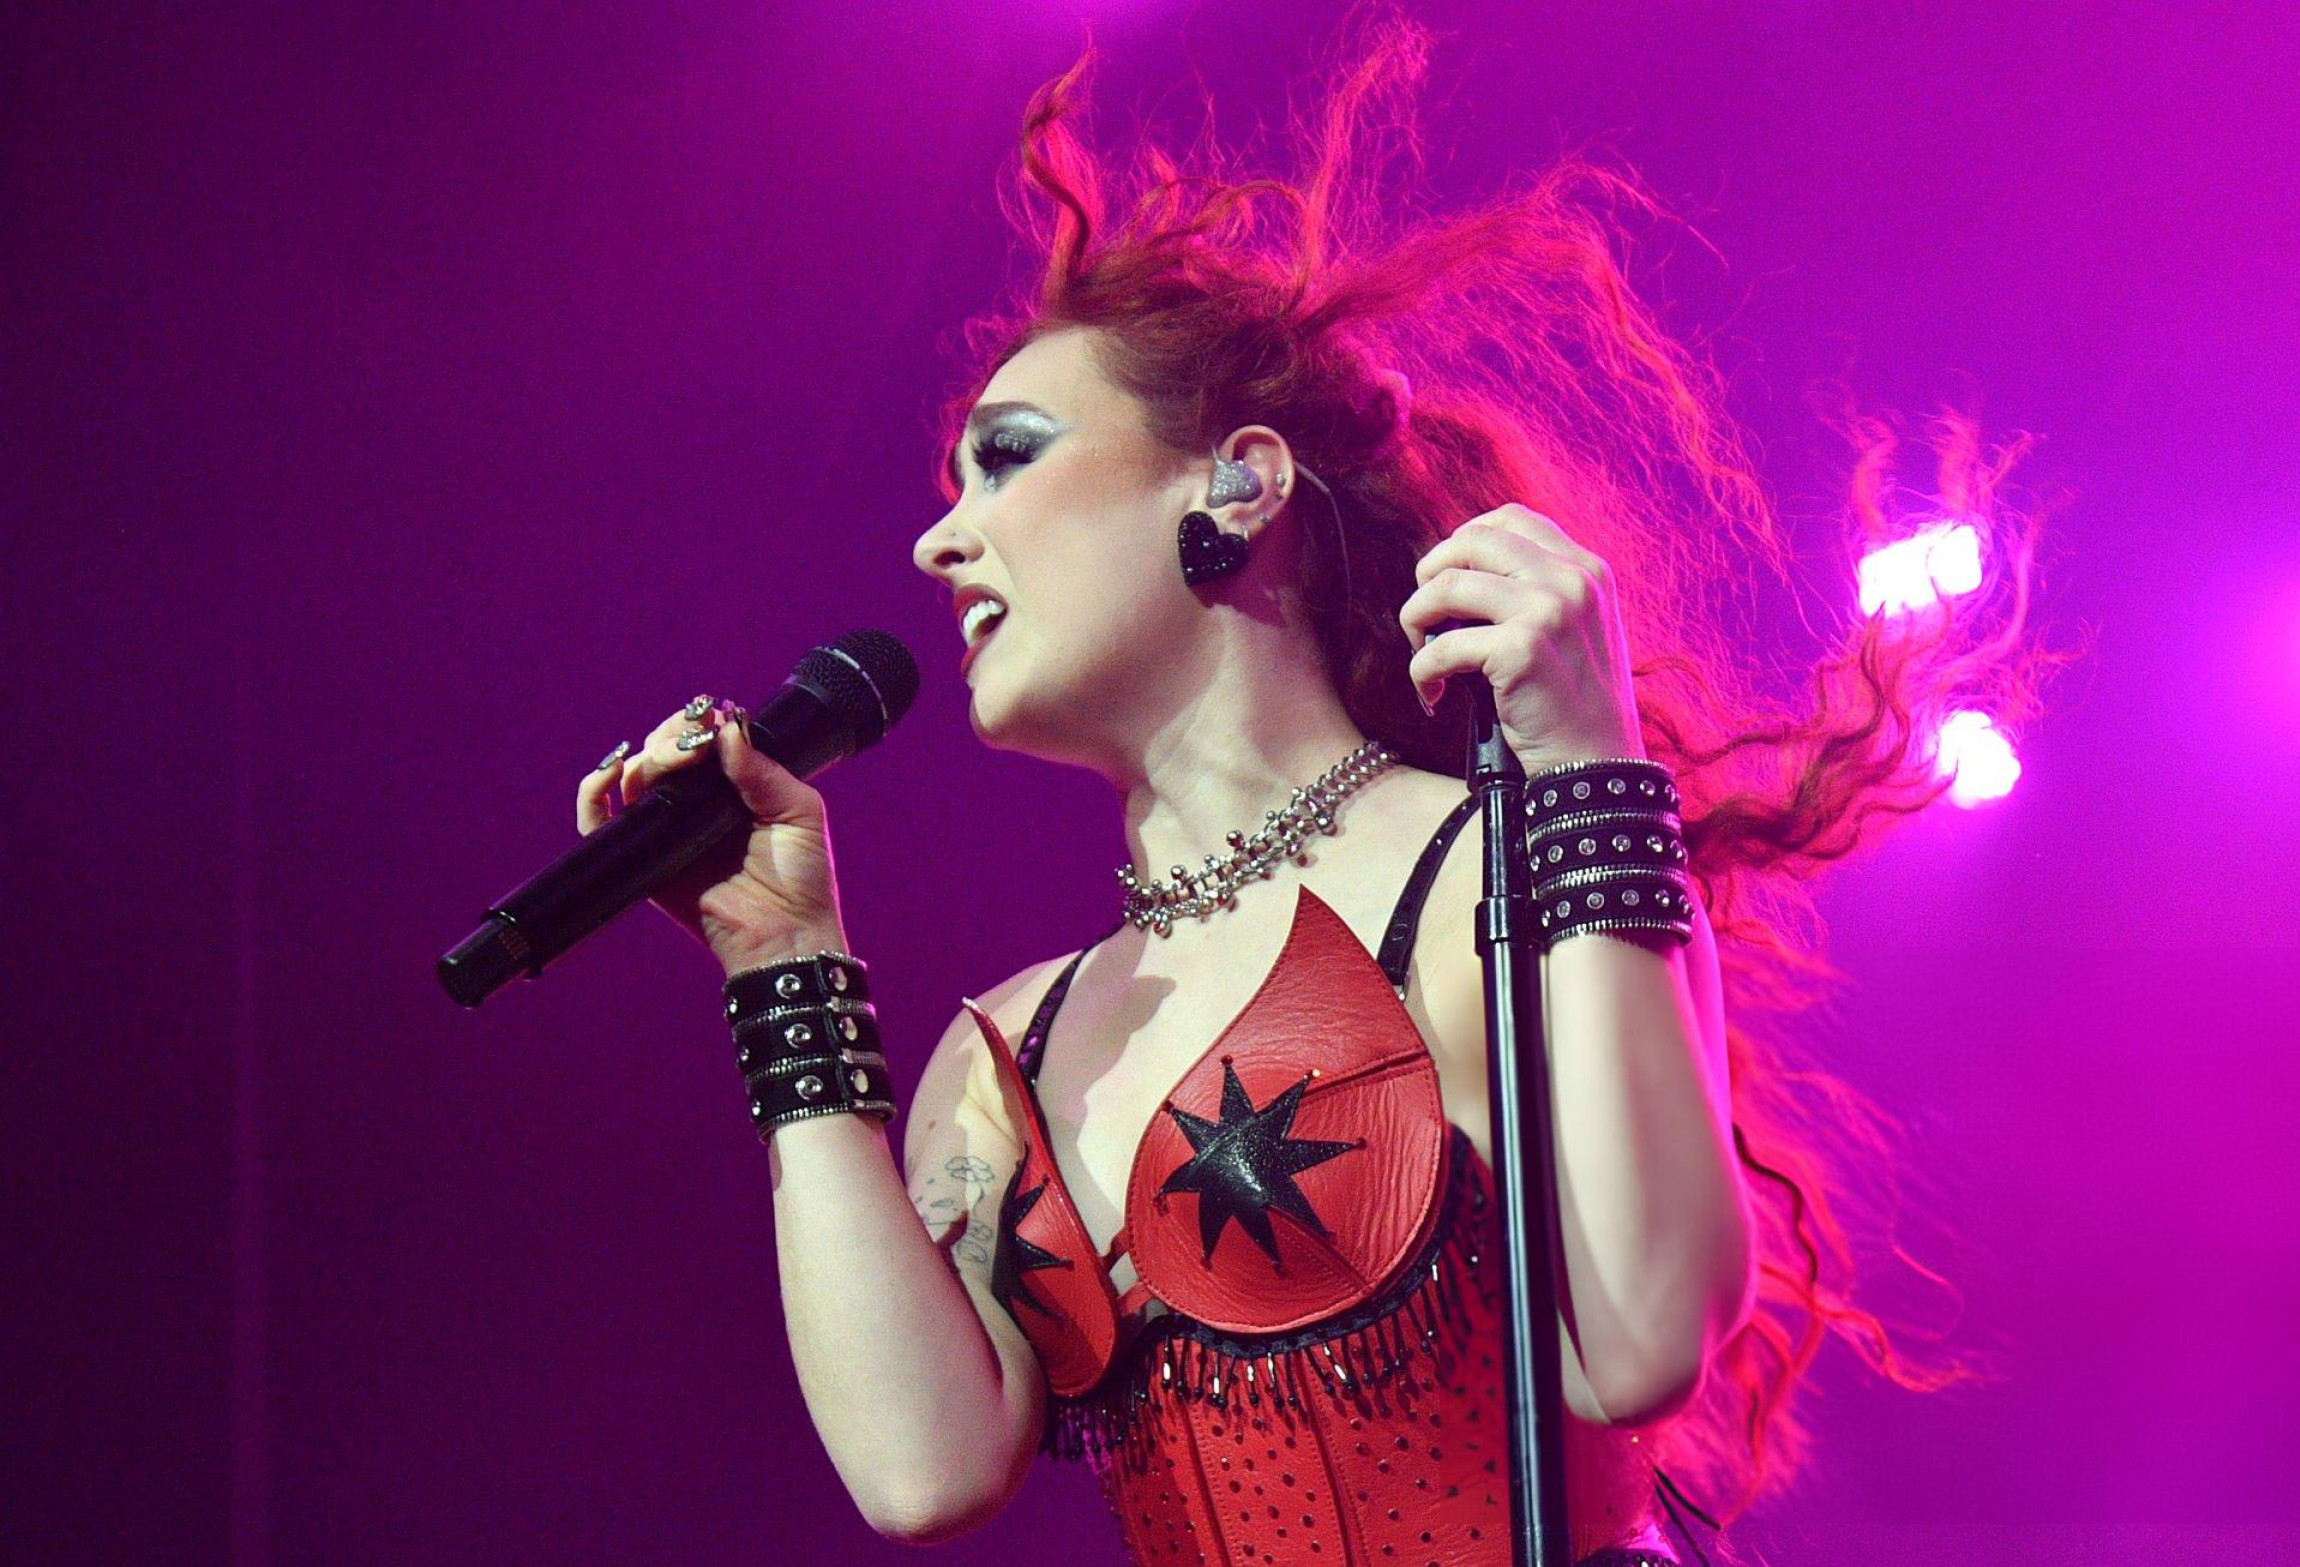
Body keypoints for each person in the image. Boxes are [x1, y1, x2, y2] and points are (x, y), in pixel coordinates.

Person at [577, 14, 2056, 1564]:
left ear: (1238, 482)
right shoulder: (1003, 1052)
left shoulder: (1497, 868)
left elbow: (1636, 1342)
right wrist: (783, 970)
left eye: (1006, 459)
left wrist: (1589, 775)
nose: (941, 542)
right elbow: (916, 1473)